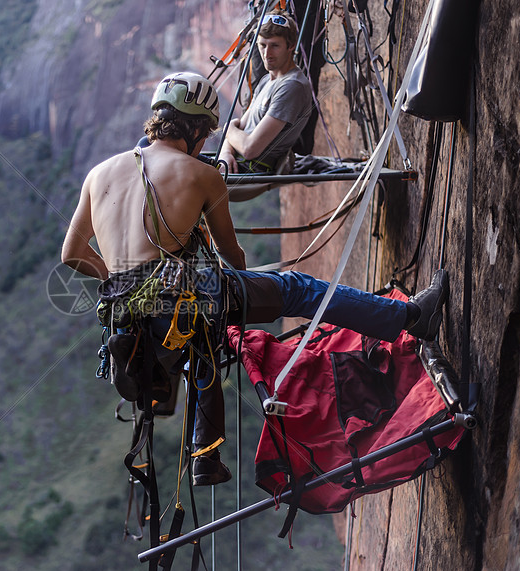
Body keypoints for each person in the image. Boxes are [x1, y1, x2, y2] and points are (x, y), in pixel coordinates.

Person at [61, 71, 448, 486]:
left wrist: (124, 279)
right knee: (295, 288)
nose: (206, 142)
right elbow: (231, 255)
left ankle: (205, 456)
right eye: (206, 133)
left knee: (201, 340)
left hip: (129, 321)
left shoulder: (98, 174)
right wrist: (243, 293)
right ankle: (407, 319)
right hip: (184, 302)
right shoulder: (200, 175)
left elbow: (73, 255)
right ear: (194, 127)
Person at [219, 10, 313, 173]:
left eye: (275, 46)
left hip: (250, 170)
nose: (267, 54)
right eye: (262, 45)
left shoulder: (292, 86)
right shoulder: (266, 81)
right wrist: (226, 153)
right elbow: (241, 127)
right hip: (233, 164)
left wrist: (228, 128)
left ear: (290, 46)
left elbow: (250, 149)